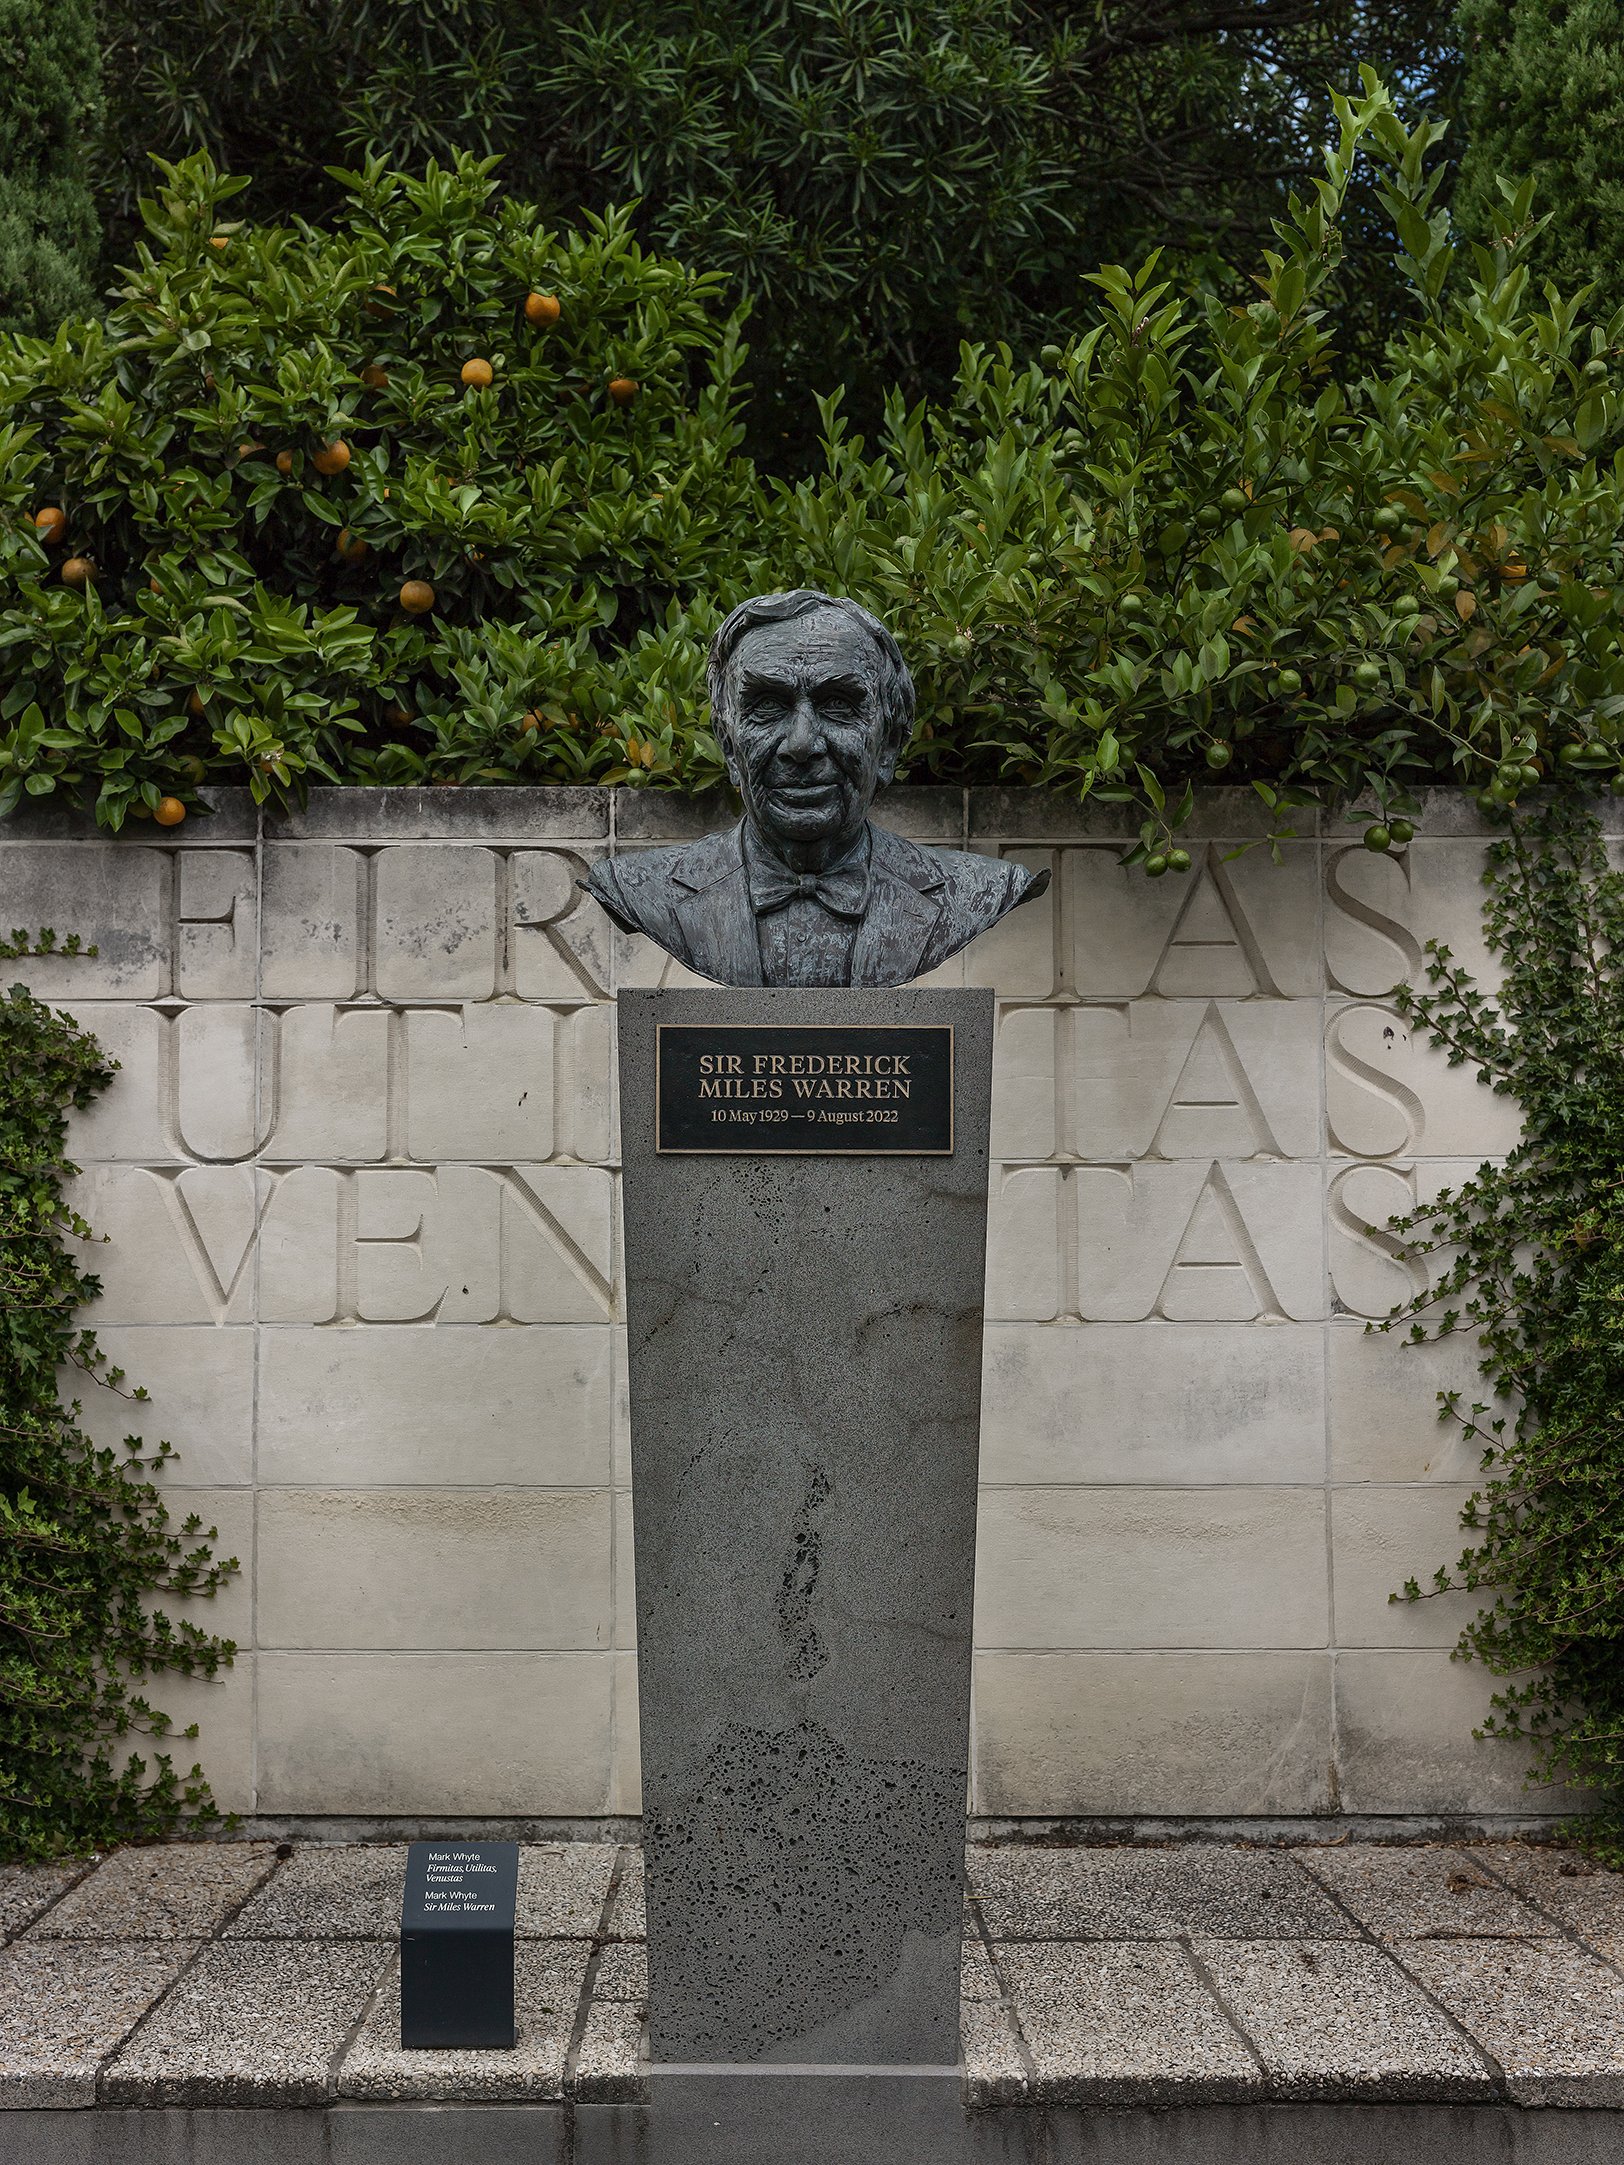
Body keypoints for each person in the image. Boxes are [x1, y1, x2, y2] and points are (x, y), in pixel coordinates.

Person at [585, 590, 1049, 986]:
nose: (802, 744)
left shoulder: (980, 890)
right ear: (728, 743)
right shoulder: (637, 888)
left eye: (838, 705)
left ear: (888, 744)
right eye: (767, 706)